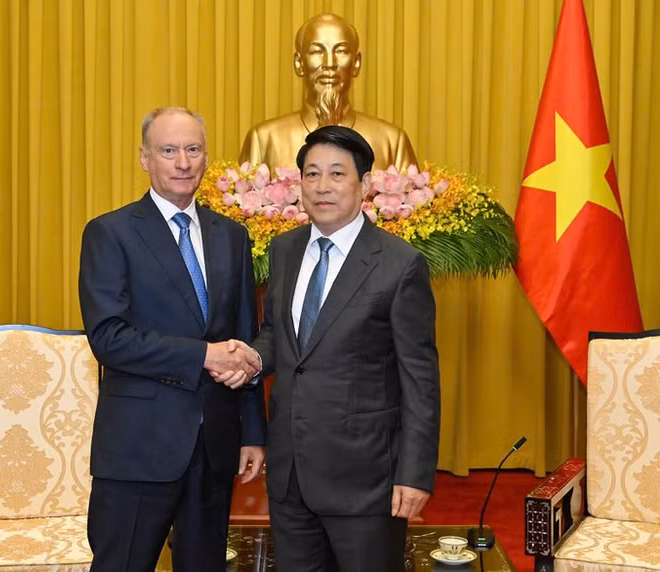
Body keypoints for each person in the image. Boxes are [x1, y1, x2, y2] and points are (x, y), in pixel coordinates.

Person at [225, 125, 440, 571]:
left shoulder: (399, 265)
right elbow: (280, 336)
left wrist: (415, 474)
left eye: (337, 174)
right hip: (290, 474)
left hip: (365, 479)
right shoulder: (284, 250)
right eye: (311, 174)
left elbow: (420, 380)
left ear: (364, 185)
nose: (322, 186)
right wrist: (252, 359)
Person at [78, 106, 267, 572]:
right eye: (168, 150)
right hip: (139, 446)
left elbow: (245, 341)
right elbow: (109, 338)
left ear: (206, 159)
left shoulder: (233, 237)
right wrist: (203, 355)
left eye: (193, 149)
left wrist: (253, 433)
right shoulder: (111, 233)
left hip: (216, 443)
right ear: (145, 158)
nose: (182, 162)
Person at [239, 13, 418, 174]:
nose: (329, 63)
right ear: (299, 63)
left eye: (340, 51)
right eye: (317, 51)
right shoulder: (263, 139)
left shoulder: (392, 141)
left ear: (356, 63)